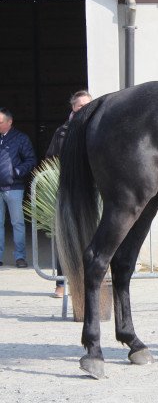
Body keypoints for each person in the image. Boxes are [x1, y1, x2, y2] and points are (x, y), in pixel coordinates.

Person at [46, 90, 92, 297]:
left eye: (87, 105)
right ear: (73, 108)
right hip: (67, 192)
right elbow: (50, 159)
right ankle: (61, 284)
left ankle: (86, 284)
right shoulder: (62, 132)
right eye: (79, 106)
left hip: (91, 192)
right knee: (64, 239)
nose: (83, 109)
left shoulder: (99, 129)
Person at [0, 108, 37, 268]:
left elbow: (31, 160)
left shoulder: (21, 138)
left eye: (0, 122)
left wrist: (16, 172)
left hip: (14, 188)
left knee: (18, 224)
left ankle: (20, 257)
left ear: (9, 122)